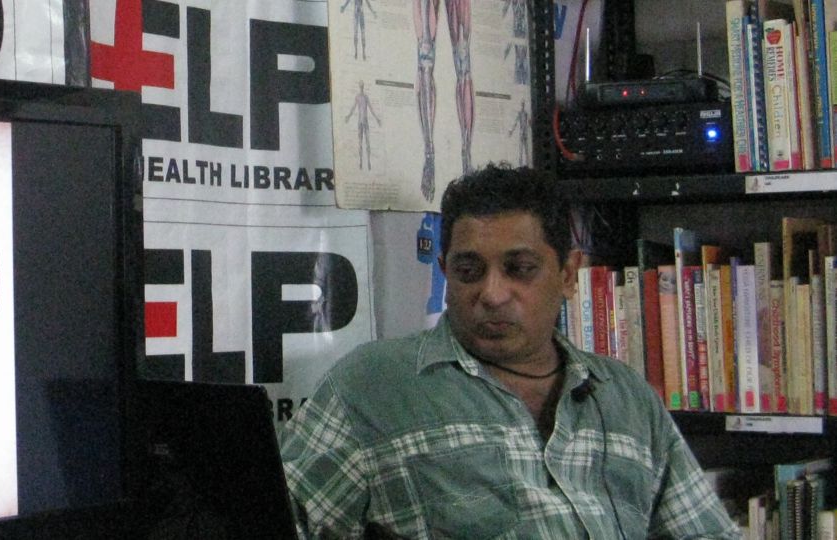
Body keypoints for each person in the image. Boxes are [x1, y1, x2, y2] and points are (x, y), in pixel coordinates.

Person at [278, 164, 739, 539]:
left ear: (567, 274)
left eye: (520, 269)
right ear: (444, 272)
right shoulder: (374, 387)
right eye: (468, 270)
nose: (493, 293)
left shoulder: (625, 398)